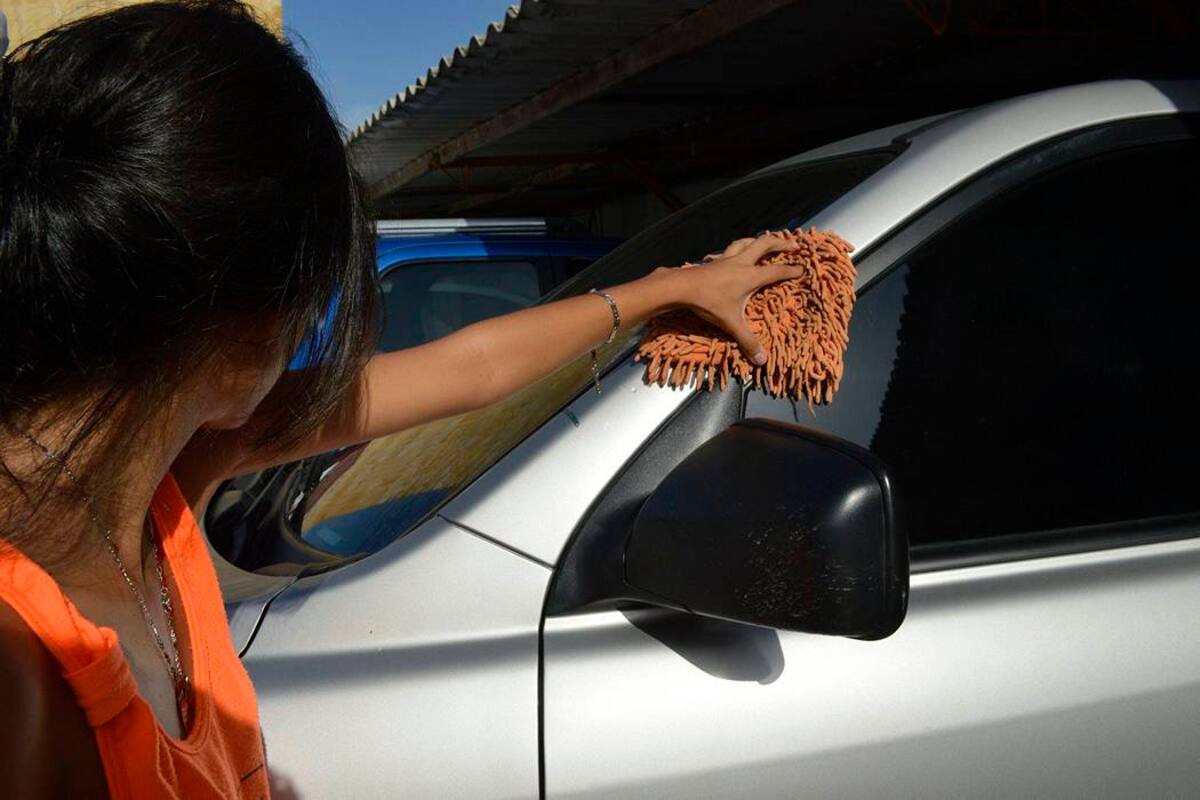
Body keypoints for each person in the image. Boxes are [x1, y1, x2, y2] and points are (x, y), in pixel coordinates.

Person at [0, 1, 804, 797]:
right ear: (238, 315)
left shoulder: (169, 465)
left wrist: (671, 288)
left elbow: (469, 370)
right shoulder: (22, 671)